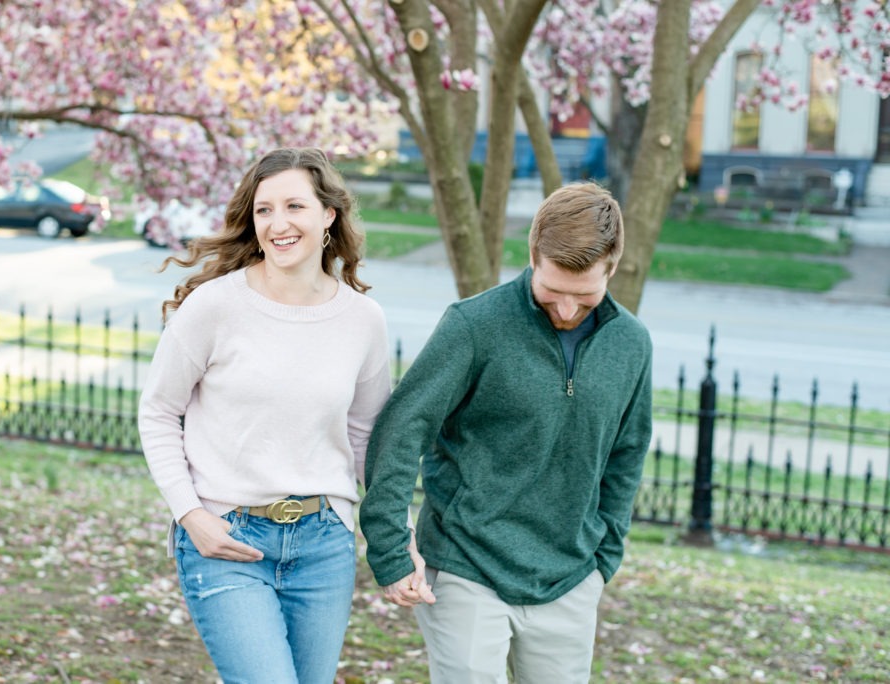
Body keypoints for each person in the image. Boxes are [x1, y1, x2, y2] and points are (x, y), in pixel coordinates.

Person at [359, 181, 653, 683]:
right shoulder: (474, 326)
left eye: (583, 295)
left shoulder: (632, 344)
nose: (565, 309)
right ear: (533, 256)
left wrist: (604, 558)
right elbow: (401, 430)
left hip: (571, 576)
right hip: (465, 567)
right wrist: (389, 546)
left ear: (613, 266)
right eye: (552, 291)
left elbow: (626, 457)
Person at [138, 147, 391, 683]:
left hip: (325, 542)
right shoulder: (214, 305)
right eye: (264, 210)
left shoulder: (363, 321)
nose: (278, 224)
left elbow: (367, 436)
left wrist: (396, 532)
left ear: (328, 215)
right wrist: (191, 515)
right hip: (226, 537)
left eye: (294, 206)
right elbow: (158, 412)